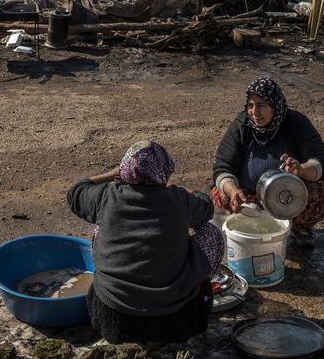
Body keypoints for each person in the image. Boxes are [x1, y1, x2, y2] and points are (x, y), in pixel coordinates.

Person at [67, 140, 224, 344]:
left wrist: (113, 174)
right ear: (165, 170)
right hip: (177, 319)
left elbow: (75, 191)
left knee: (100, 228)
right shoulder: (179, 200)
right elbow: (206, 205)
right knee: (209, 232)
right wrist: (177, 189)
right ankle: (196, 292)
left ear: (125, 170)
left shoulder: (106, 197)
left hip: (113, 318)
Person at [212, 77, 324, 249]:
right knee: (219, 195)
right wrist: (233, 192)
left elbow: (323, 160)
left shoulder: (296, 124)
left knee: (322, 193)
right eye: (250, 105)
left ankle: (301, 228)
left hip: (287, 196)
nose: (255, 112)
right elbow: (223, 167)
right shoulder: (242, 127)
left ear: (275, 105)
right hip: (250, 197)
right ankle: (246, 230)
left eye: (261, 105)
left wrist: (302, 169)